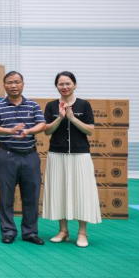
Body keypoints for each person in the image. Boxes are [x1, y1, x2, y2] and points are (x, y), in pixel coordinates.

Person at [42, 71, 101, 247]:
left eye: (68, 83)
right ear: (56, 86)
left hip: (80, 155)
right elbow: (47, 131)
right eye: (61, 84)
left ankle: (82, 233)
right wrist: (60, 118)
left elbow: (90, 130)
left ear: (74, 85)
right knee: (59, 192)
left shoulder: (84, 105)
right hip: (57, 155)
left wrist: (72, 118)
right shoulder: (51, 106)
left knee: (83, 193)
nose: (64, 87)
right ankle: (63, 231)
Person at [0, 71, 46, 245]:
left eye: (17, 82)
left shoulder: (33, 105)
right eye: (10, 82)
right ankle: (8, 231)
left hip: (30, 156)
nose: (14, 85)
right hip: (7, 155)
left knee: (32, 195)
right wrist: (10, 131)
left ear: (23, 84)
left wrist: (28, 131)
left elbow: (42, 124)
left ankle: (30, 232)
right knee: (6, 195)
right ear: (4, 85)